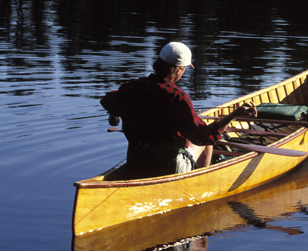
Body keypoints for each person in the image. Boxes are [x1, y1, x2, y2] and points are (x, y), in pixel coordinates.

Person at [100, 42, 256, 179]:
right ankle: (198, 183)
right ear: (179, 70)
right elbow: (203, 137)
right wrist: (234, 115)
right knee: (208, 142)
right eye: (185, 69)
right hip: (167, 168)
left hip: (137, 162)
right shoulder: (177, 98)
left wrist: (116, 111)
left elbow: (106, 101)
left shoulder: (130, 87)